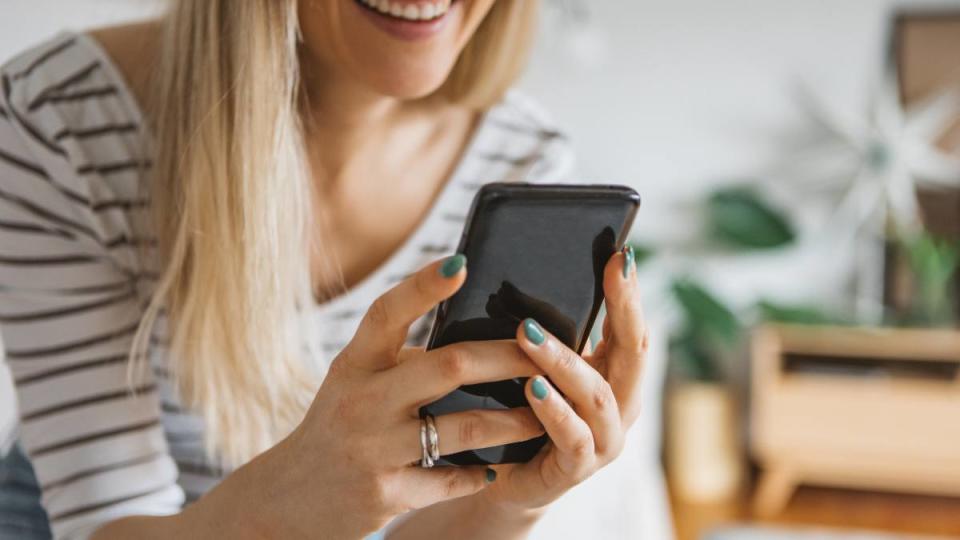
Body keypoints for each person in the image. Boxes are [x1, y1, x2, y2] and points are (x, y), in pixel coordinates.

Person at [0, 1, 648, 538]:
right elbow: (105, 521)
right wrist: (295, 497)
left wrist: (509, 500)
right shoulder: (59, 118)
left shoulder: (521, 159)